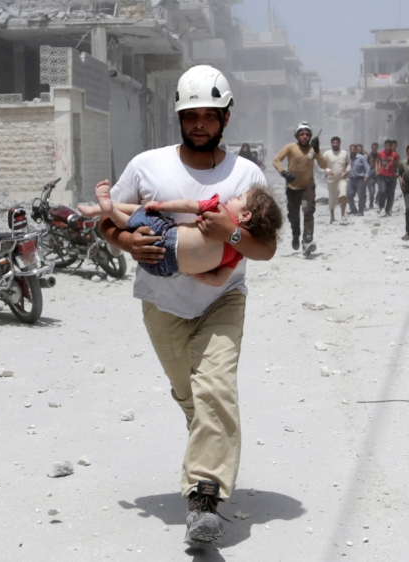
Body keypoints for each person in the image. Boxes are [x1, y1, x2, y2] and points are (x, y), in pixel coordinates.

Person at [98, 65, 278, 548]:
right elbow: (106, 223)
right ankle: (205, 434)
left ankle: (204, 498)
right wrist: (126, 243)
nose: (200, 124)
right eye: (191, 115)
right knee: (191, 395)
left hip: (224, 297)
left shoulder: (247, 173)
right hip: (162, 303)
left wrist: (230, 233)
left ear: (226, 117)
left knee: (215, 388)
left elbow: (265, 249)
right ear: (179, 116)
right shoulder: (146, 165)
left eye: (209, 116)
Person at [80, 182, 281, 286]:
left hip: (167, 236)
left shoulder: (219, 211)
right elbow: (217, 280)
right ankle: (107, 210)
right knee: (140, 224)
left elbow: (187, 205)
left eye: (238, 198)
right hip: (165, 267)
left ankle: (107, 209)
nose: (232, 198)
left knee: (142, 214)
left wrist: (160, 205)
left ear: (246, 214)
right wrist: (189, 269)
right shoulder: (237, 254)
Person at [273, 122, 329, 253]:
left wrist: (318, 151)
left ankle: (307, 240)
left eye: (307, 134)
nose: (305, 136)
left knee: (308, 212)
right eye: (302, 134)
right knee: (294, 215)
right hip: (292, 187)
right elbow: (276, 160)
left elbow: (324, 164)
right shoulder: (290, 147)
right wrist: (284, 173)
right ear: (297, 136)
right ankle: (296, 234)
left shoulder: (313, 149)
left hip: (308, 187)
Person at [323, 137, 350, 222]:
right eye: (333, 143)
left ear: (339, 143)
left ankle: (343, 214)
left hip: (342, 178)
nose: (335, 144)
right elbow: (322, 165)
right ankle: (332, 216)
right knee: (332, 198)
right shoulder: (327, 154)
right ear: (331, 144)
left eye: (337, 143)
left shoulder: (344, 153)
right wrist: (328, 171)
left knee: (343, 194)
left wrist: (347, 170)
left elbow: (349, 163)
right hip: (331, 179)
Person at [374, 140, 400, 216]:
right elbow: (377, 162)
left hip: (392, 177)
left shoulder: (395, 154)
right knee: (382, 191)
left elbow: (398, 163)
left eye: (389, 145)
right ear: (384, 146)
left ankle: (388, 210)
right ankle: (381, 205)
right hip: (382, 176)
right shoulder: (381, 154)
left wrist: (399, 173)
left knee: (390, 195)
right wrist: (377, 170)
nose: (388, 147)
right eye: (386, 145)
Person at [346, 143, 372, 215]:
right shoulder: (348, 157)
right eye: (351, 149)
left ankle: (361, 210)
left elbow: (368, 168)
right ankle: (353, 209)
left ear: (356, 150)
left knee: (361, 195)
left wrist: (366, 177)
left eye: (354, 149)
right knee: (349, 194)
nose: (352, 151)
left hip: (360, 179)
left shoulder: (361, 158)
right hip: (351, 179)